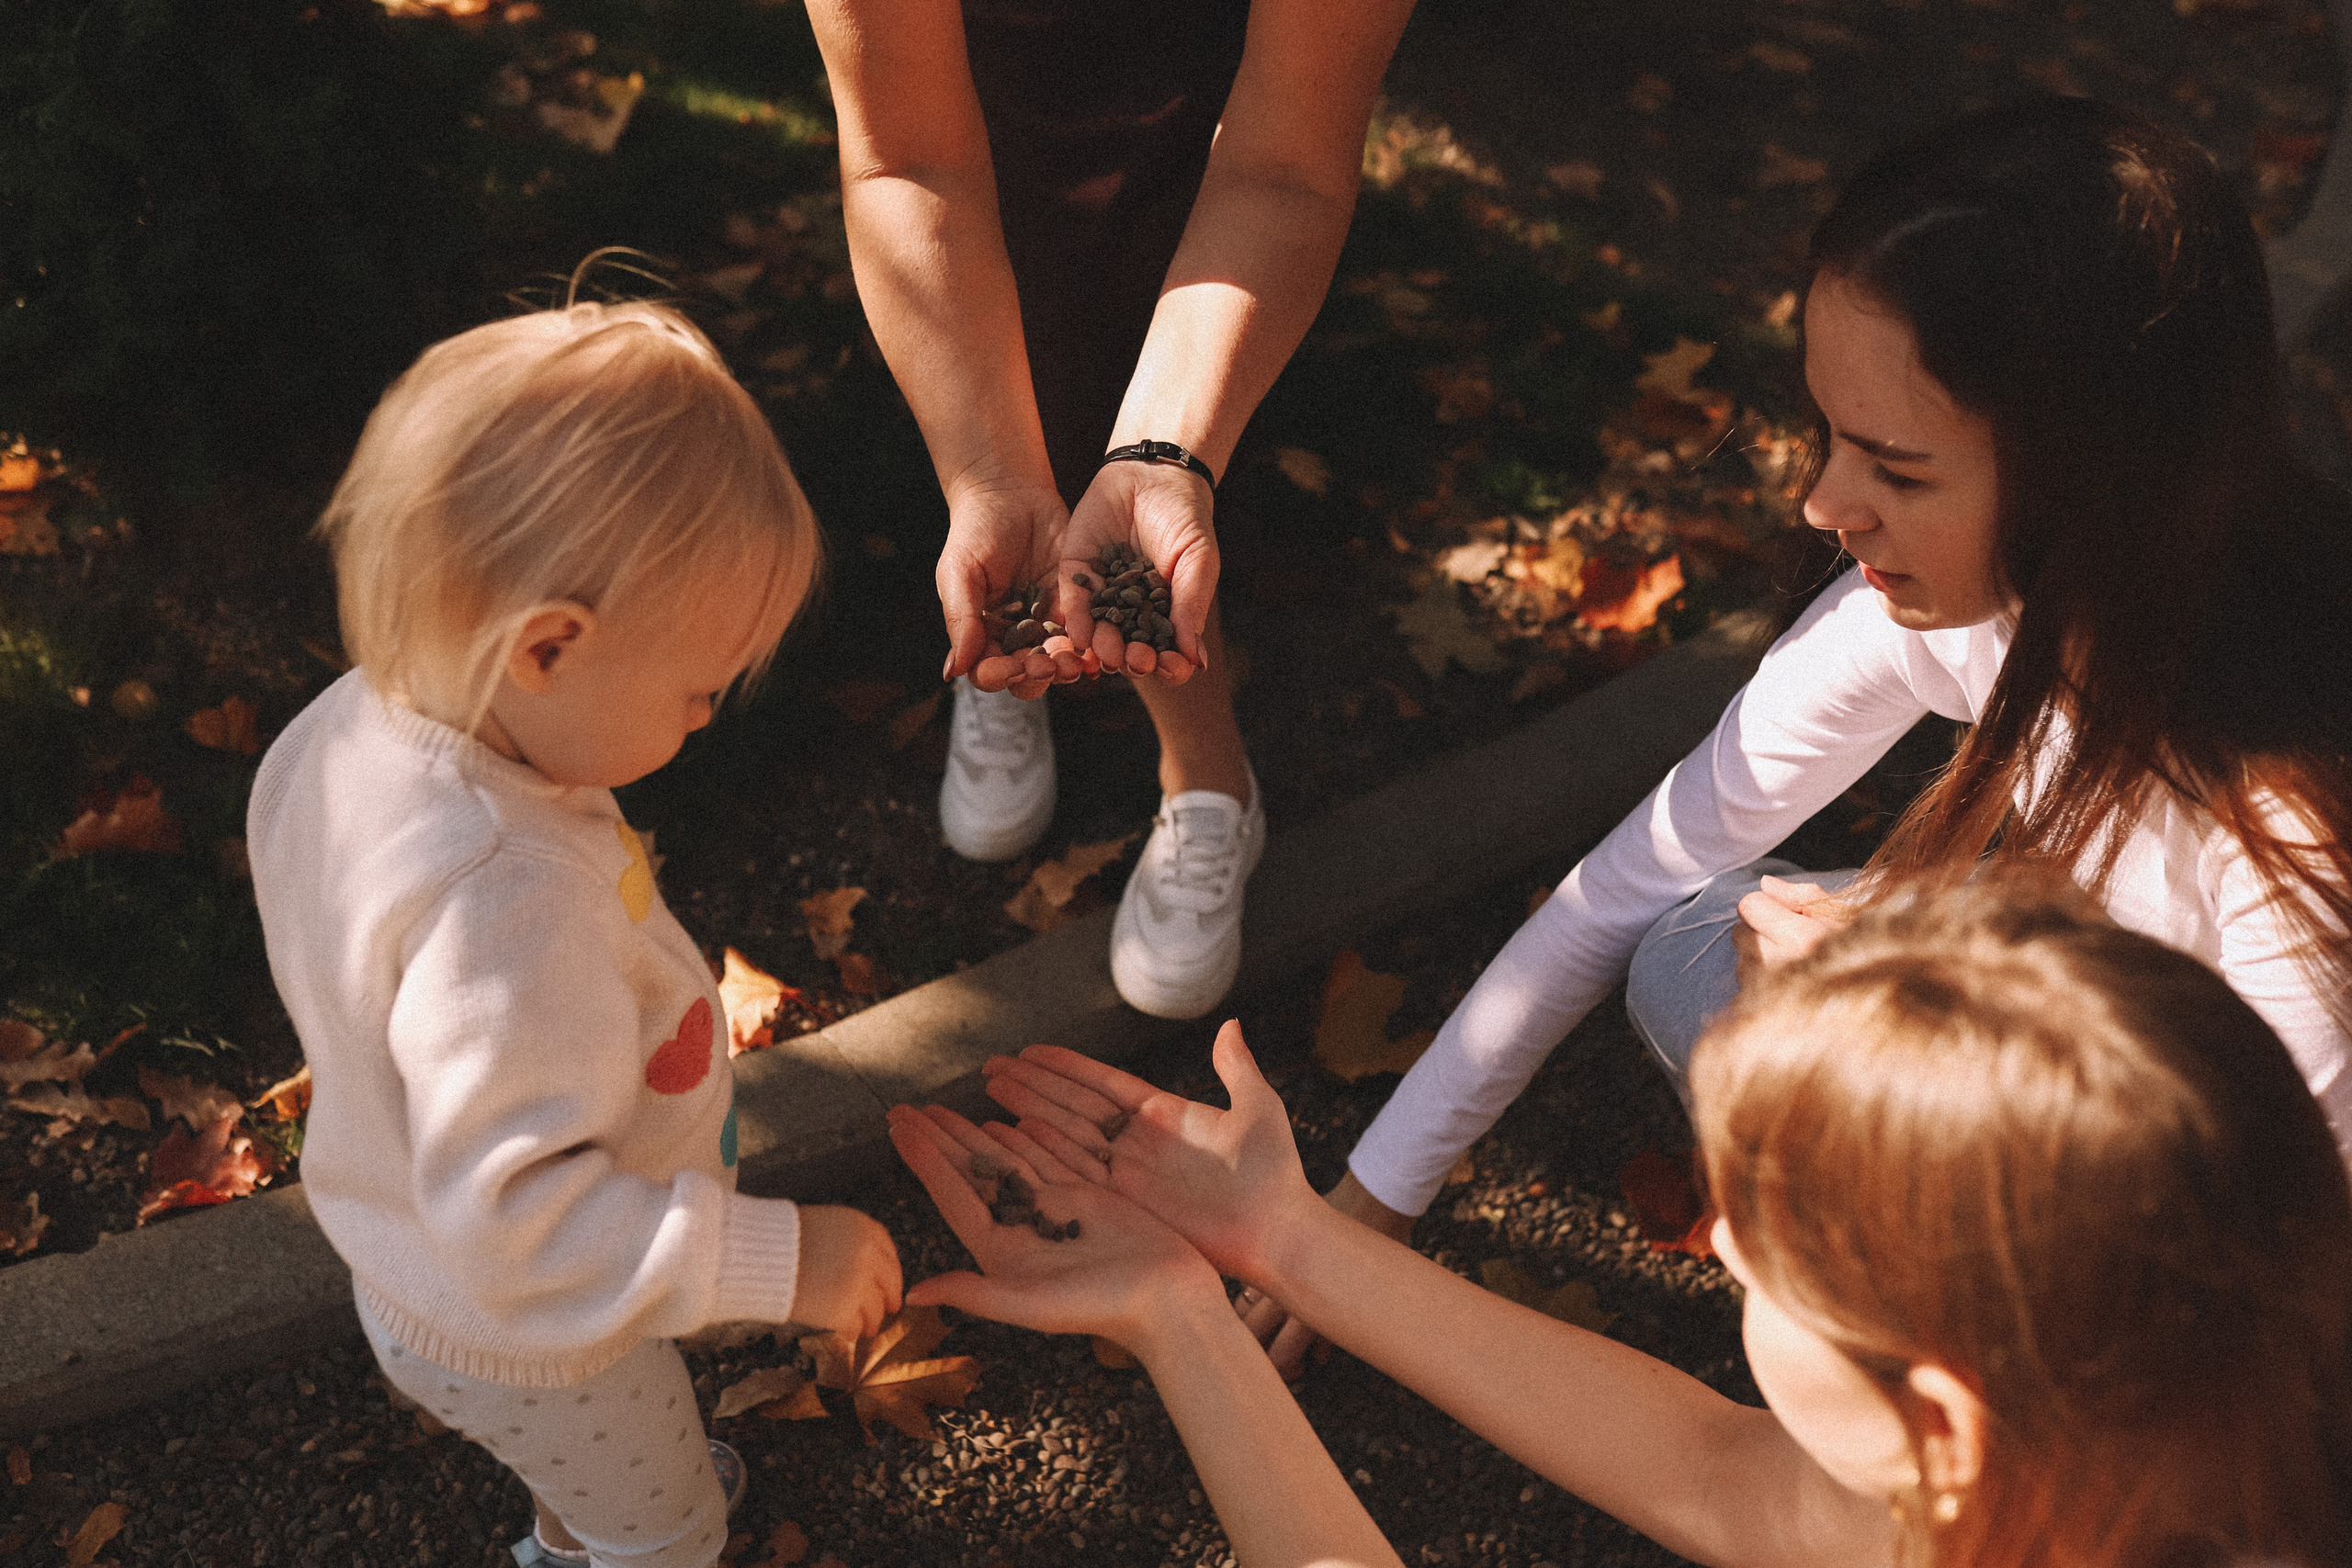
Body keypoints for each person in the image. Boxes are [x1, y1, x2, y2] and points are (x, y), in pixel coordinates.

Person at [1161, 95, 2352, 1376]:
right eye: (1830, 432)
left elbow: (2263, 1277)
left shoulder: (2286, 819)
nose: (1823, 502)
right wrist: (1370, 1204)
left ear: (2102, 472)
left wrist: (1912, 1062)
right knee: (1690, 947)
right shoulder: (1969, 603)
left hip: (2247, 1270)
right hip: (2150, 1064)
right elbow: (1625, 887)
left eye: (1898, 470)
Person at [900, 874, 2352, 1568]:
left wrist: (1181, 1325)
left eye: (1768, 1254)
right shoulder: (2148, 1455)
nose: (1717, 1248)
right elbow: (1729, 1474)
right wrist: (1275, 1245)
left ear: (1949, 1423)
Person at [248, 296, 904, 1568]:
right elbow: (527, 1227)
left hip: (408, 1238)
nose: (709, 717)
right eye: (699, 686)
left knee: (599, 1486)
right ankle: (624, 1522)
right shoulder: (500, 902)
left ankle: (577, 1518)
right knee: (667, 1529)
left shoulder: (352, 731)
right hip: (533, 1328)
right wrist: (782, 1258)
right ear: (549, 645)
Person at [802, 0, 1417, 1019]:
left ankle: (1207, 780)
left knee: (1156, 402)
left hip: (1204, 114)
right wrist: (986, 477)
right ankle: (1018, 634)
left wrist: (1160, 454)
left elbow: (1284, 165)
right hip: (979, 98)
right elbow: (907, 158)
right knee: (1003, 370)